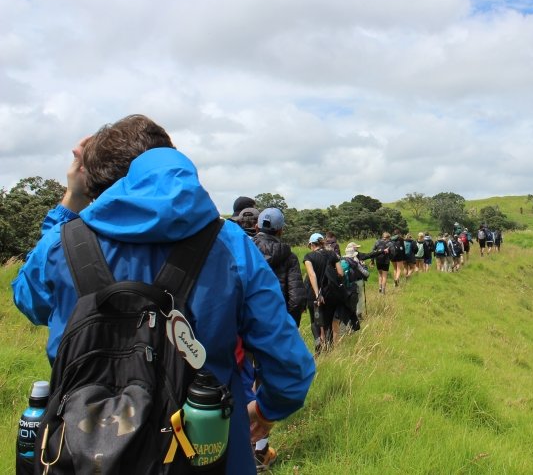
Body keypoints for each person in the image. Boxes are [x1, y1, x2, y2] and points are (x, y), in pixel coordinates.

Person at [11, 115, 315, 474]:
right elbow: (289, 367)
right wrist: (265, 411)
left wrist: (72, 199)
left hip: (84, 452)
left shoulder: (64, 244)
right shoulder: (230, 243)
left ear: (97, 181)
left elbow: (28, 300)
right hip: (205, 453)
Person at [253, 208, 305, 327]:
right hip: (277, 323)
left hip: (249, 325)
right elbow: (296, 300)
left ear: (256, 227)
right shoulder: (290, 258)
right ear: (281, 231)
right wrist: (288, 327)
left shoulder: (245, 251)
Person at [303, 232, 345, 351]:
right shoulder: (332, 254)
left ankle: (318, 340)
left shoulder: (309, 257)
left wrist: (317, 294)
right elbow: (341, 273)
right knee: (328, 322)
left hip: (313, 294)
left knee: (314, 320)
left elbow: (311, 275)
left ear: (311, 244)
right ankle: (329, 347)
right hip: (329, 293)